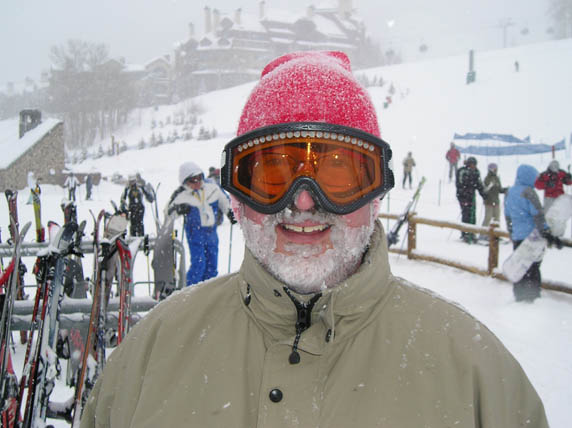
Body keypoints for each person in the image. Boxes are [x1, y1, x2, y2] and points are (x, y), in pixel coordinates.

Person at [81, 51, 548, 428]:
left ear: (376, 194)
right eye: (272, 173)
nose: (303, 201)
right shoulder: (152, 354)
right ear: (237, 196)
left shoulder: (475, 376)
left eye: (338, 173)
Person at [166, 162, 234, 286]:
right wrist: (179, 209)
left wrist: (230, 212)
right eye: (193, 180)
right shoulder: (181, 195)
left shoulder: (211, 188)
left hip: (211, 232)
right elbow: (168, 213)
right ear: (185, 181)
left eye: (199, 178)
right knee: (199, 264)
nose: (197, 182)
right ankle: (191, 291)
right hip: (195, 233)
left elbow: (224, 200)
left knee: (212, 265)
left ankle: (209, 290)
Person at [505, 164, 560, 302]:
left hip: (517, 236)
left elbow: (507, 216)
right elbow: (538, 214)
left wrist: (512, 232)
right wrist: (546, 232)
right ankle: (532, 297)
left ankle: (519, 295)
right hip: (532, 237)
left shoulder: (509, 192)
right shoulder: (529, 192)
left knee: (519, 267)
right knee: (533, 267)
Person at [456, 157, 487, 242]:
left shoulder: (476, 172)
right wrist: (464, 192)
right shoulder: (462, 171)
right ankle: (465, 233)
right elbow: (459, 184)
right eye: (472, 164)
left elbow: (479, 184)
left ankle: (472, 232)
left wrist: (483, 194)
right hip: (463, 196)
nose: (473, 166)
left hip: (472, 196)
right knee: (466, 214)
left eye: (474, 164)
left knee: (473, 214)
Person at [479, 162, 507, 239]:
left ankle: (496, 235)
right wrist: (490, 186)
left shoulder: (497, 178)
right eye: (495, 169)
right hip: (489, 202)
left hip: (496, 201)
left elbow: (499, 189)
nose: (496, 170)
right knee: (488, 218)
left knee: (497, 219)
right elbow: (485, 190)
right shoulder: (487, 178)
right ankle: (483, 234)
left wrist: (505, 190)